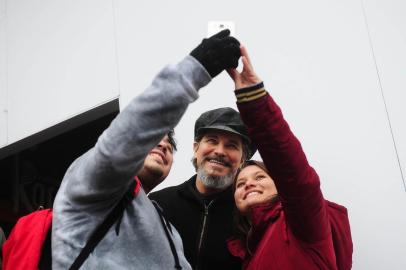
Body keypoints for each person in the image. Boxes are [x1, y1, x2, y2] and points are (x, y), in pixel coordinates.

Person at [51, 29, 241, 269]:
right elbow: (126, 138)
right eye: (154, 138)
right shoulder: (93, 185)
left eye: (170, 144)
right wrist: (193, 72)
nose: (163, 144)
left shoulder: (163, 224)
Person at [226, 46, 353, 269]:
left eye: (260, 177)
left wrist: (253, 100)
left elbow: (290, 167)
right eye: (240, 184)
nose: (249, 185)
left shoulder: (303, 224)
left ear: (279, 185)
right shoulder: (248, 253)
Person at [149, 106, 256, 269]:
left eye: (232, 145)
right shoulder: (157, 204)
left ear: (242, 160)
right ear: (196, 148)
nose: (220, 151)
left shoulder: (250, 216)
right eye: (212, 140)